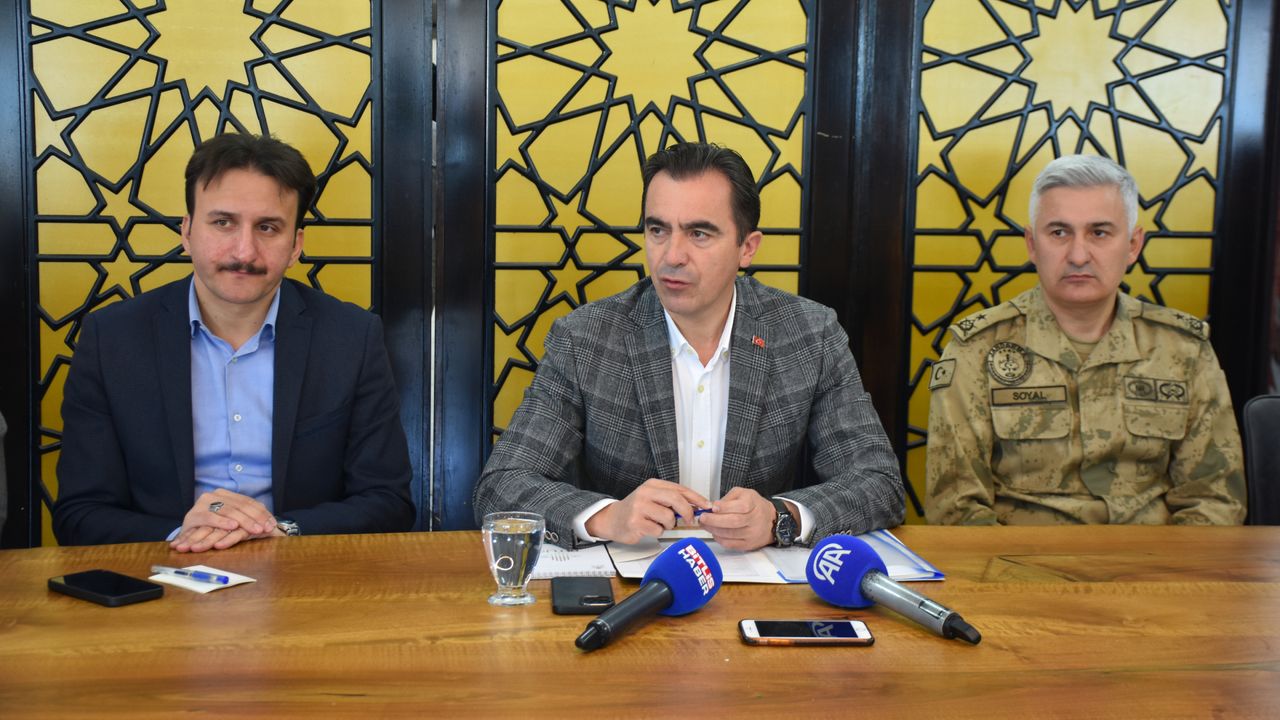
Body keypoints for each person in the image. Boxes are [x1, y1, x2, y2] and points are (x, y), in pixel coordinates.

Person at [475, 142, 904, 550]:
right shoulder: (585, 339)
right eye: (658, 230)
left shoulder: (809, 335)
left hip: (755, 583)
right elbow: (502, 484)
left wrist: (780, 518)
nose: (671, 256)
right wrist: (608, 517)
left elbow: (878, 481)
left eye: (699, 234)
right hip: (630, 585)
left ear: (747, 248)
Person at [54, 133, 414, 550]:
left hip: (301, 571)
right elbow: (79, 513)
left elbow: (388, 502)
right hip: (161, 572)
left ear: (295, 245)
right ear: (187, 232)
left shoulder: (351, 337)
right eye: (223, 223)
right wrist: (182, 534)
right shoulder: (111, 338)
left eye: (268, 227)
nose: (244, 252)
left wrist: (282, 530)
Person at [926, 154, 1245, 525]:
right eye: (1059, 233)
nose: (1078, 255)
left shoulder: (1184, 349)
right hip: (1021, 557)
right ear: (1032, 244)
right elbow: (955, 506)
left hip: (1151, 556)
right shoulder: (977, 350)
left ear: (1133, 245)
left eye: (1099, 233)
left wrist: (1165, 565)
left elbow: (1215, 499)